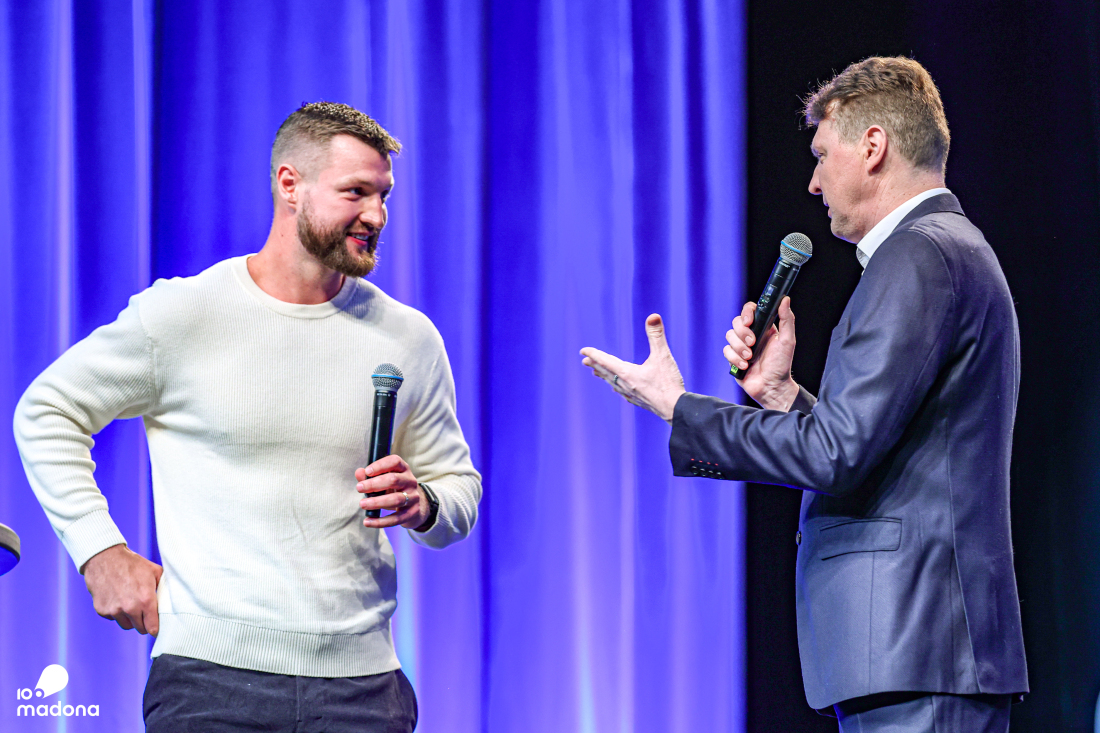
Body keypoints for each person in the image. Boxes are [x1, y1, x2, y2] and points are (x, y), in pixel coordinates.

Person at [581, 57, 1027, 732]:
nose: (814, 181)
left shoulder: (919, 255)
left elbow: (835, 455)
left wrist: (679, 407)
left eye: (821, 155)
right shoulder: (945, 249)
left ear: (873, 146)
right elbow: (878, 449)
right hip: (920, 652)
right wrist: (783, 394)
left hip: (920, 650)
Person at [14, 102, 482, 732]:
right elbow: (46, 410)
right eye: (356, 192)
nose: (376, 215)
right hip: (209, 686)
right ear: (290, 185)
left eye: (384, 196)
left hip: (365, 692)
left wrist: (423, 502)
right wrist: (100, 551)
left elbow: (459, 488)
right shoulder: (183, 314)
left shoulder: (408, 336)